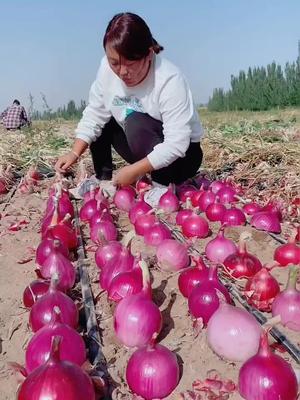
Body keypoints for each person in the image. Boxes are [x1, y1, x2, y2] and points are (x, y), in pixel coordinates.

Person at [55, 12, 204, 188]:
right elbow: (95, 114)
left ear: (148, 54)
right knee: (105, 118)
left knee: (135, 119)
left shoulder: (169, 79)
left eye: (130, 64)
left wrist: (134, 171)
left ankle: (161, 185)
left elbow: (176, 144)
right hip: (140, 147)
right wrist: (74, 153)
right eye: (114, 63)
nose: (122, 72)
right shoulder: (106, 70)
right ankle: (103, 179)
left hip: (182, 159)